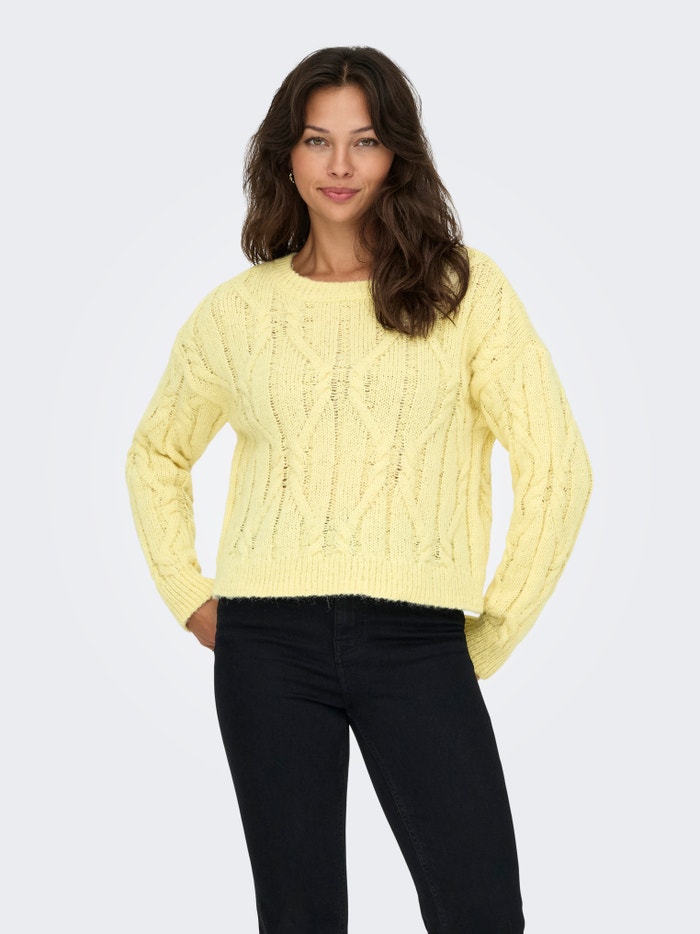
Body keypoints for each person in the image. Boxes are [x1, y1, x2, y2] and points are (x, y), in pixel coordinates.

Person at [125, 46, 592, 933]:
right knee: (298, 916)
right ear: (285, 156)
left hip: (417, 639)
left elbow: (558, 466)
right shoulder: (236, 313)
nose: (340, 165)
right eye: (317, 140)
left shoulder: (463, 291)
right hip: (266, 644)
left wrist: (492, 631)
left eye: (365, 140)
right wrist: (191, 597)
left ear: (396, 154)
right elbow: (156, 454)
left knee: (481, 910)